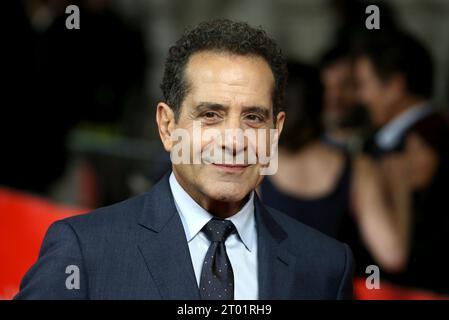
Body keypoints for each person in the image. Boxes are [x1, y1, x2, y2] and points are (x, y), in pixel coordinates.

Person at [15, 19, 354, 300]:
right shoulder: (86, 251)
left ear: (275, 132)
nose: (233, 141)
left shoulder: (325, 266)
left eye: (253, 118)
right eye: (210, 115)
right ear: (167, 126)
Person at [260, 61, 410, 274]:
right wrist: (400, 189)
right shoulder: (358, 168)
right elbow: (393, 255)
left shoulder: (253, 165)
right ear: (322, 104)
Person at [354, 31, 449, 293]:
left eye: (364, 84)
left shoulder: (425, 141)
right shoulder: (404, 137)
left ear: (395, 86)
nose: (360, 97)